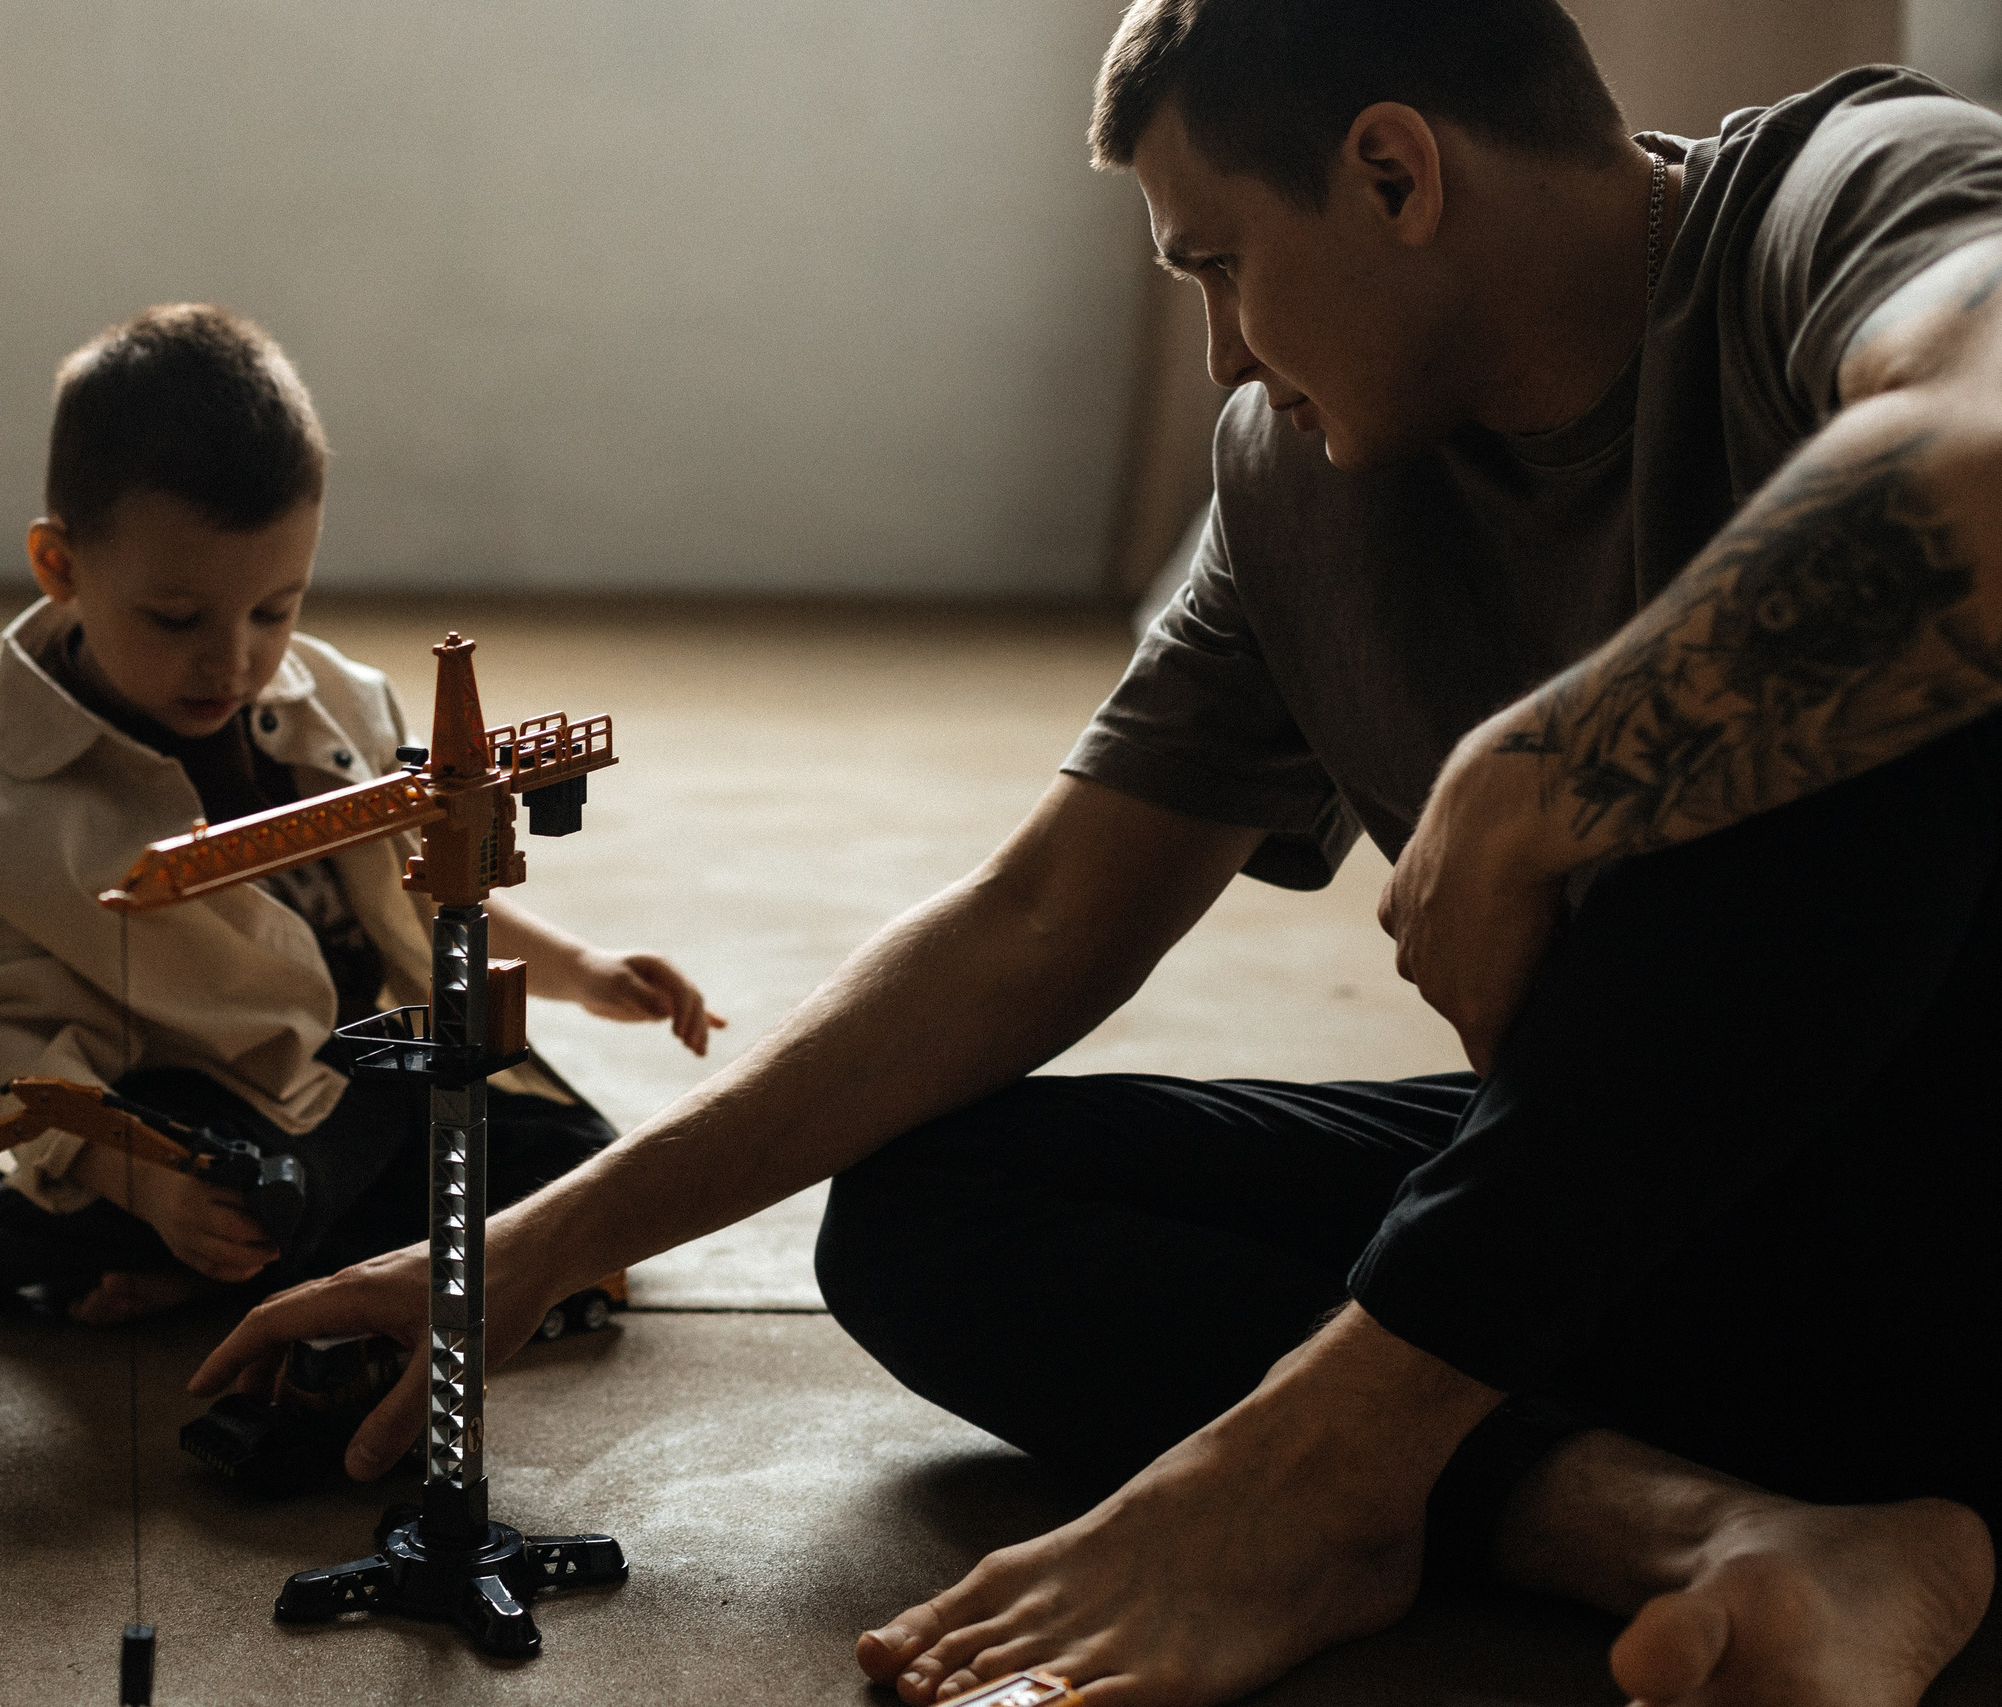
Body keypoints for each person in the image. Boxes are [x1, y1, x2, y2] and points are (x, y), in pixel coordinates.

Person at [191, 4, 2002, 1702]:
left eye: (1219, 264)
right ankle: (1708, 1530)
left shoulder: (1841, 202)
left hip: (1956, 1217)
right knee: (936, 1208)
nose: (1222, 350)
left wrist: (1549, 773)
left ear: (1394, 173)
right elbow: (1041, 916)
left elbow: (1990, 461)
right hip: (1663, 1249)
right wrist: (526, 1245)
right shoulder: (1297, 478)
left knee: (1885, 714)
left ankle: (1327, 1464)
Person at [0, 302, 721, 1328]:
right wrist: (146, 1184)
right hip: (193, 1120)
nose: (233, 660)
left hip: (375, 1070)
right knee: (248, 1205)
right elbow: (18, 1068)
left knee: (578, 1176)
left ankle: (236, 1278)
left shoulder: (339, 701)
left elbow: (429, 886)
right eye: (176, 619)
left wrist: (582, 970)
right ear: (61, 566)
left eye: (275, 610)